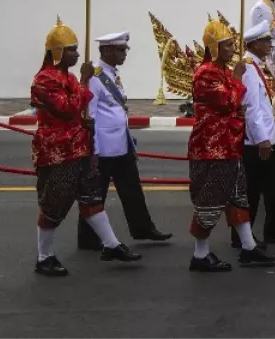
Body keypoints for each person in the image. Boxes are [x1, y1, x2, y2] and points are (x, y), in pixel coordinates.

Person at [32, 20, 140, 276]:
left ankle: (111, 245)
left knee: (92, 198)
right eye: (72, 50)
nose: (78, 55)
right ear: (56, 52)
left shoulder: (68, 78)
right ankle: (43, 256)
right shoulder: (44, 80)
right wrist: (83, 81)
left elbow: (79, 107)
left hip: (79, 148)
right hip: (58, 151)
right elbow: (68, 108)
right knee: (54, 205)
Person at [188, 19, 275, 272]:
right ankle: (200, 254)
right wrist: (238, 80)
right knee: (210, 200)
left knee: (239, 197)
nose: (231, 49)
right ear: (213, 48)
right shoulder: (205, 72)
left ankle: (248, 248)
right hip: (211, 147)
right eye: (226, 45)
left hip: (229, 144)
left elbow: (237, 105)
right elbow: (229, 101)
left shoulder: (224, 72)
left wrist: (235, 88)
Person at [77, 31, 171, 251]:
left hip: (121, 144)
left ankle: (143, 228)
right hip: (103, 148)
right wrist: (93, 150)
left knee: (132, 190)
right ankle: (88, 239)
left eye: (124, 50)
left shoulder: (112, 74)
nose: (124, 54)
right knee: (95, 194)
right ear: (106, 51)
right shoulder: (95, 77)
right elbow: (88, 115)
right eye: (120, 50)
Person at [235, 21, 275, 248]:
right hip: (257, 142)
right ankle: (242, 237)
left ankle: (274, 227)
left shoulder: (256, 66)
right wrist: (262, 139)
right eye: (265, 41)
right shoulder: (247, 69)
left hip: (267, 139)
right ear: (253, 44)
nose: (270, 45)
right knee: (252, 191)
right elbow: (251, 108)